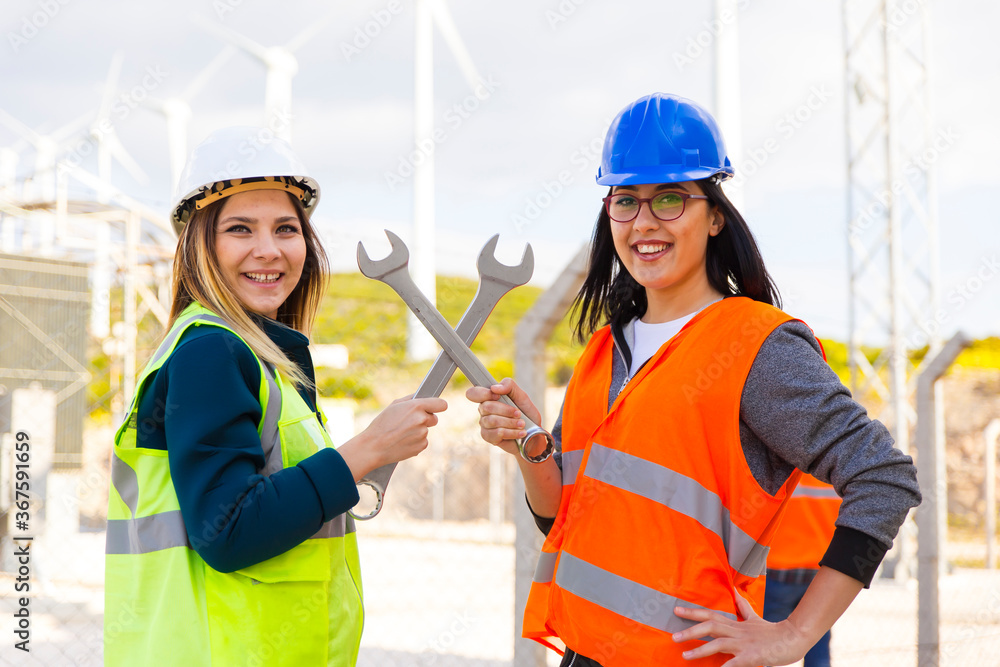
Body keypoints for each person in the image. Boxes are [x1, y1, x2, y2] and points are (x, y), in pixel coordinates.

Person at [467, 93, 921, 666]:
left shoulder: (757, 345)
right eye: (626, 202)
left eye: (670, 199)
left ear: (714, 216)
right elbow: (561, 520)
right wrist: (530, 447)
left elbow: (884, 477)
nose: (644, 222)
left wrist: (793, 635)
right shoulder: (607, 349)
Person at [103, 127, 447, 666]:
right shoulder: (211, 352)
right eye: (241, 229)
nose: (269, 250)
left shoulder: (251, 358)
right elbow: (228, 530)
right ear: (201, 244)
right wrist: (368, 450)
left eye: (286, 229)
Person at [763, 474, 842, 667]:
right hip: (822, 574)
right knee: (817, 645)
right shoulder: (837, 474)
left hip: (778, 570)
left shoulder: (785, 467)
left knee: (765, 647)